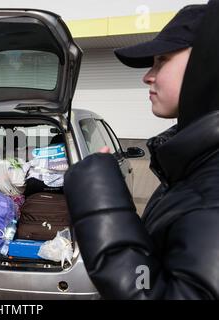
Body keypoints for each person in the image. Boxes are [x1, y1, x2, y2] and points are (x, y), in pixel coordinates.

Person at [64, 2, 219, 299]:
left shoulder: (212, 187)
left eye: (162, 60)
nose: (148, 76)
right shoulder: (195, 166)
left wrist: (99, 202)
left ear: (208, 63)